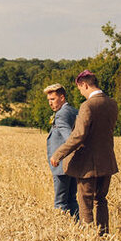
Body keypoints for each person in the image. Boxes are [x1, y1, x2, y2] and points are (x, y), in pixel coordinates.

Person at [49, 69, 118, 234]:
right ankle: (103, 235)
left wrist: (58, 154)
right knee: (101, 200)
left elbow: (78, 136)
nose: (81, 93)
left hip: (88, 164)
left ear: (85, 85)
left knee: (85, 201)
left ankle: (89, 238)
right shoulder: (112, 103)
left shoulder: (88, 106)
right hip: (107, 160)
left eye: (80, 89)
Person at [44, 83, 78, 217]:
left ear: (62, 97)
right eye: (48, 100)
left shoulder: (61, 115)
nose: (50, 103)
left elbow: (70, 138)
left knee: (60, 203)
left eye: (53, 99)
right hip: (74, 164)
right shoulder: (74, 111)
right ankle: (79, 229)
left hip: (61, 165)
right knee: (72, 199)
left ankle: (63, 232)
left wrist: (58, 156)